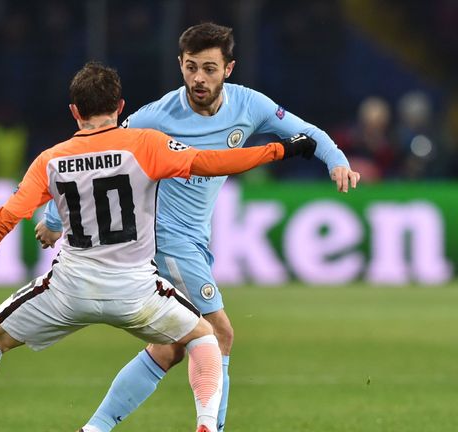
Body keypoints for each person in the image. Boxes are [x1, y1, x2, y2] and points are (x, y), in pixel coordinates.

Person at [0, 61, 318, 432]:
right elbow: (214, 163)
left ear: (74, 111)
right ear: (120, 107)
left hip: (69, 289)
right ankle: (205, 425)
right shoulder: (146, 144)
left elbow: (3, 220)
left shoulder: (51, 159)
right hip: (136, 291)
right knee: (204, 336)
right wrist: (281, 149)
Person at [37, 23, 361, 432]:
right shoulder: (157, 115)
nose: (198, 79)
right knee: (219, 333)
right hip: (165, 239)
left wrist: (336, 161)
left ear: (228, 68)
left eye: (209, 69)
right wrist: (53, 220)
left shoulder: (250, 105)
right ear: (180, 65)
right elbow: (96, 155)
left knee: (171, 347)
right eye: (191, 68)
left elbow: (307, 132)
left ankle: (95, 428)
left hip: (194, 239)